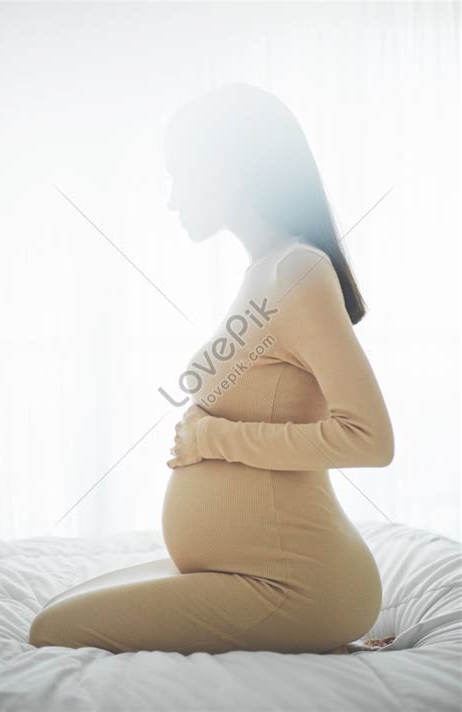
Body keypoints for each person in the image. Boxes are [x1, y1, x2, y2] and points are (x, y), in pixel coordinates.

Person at [29, 83, 394, 655]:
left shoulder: (298, 271)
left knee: (51, 633)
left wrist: (214, 437)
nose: (172, 198)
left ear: (231, 168)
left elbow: (370, 439)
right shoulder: (266, 268)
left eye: (180, 173)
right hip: (251, 569)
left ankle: (323, 625)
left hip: (301, 584)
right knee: (51, 614)